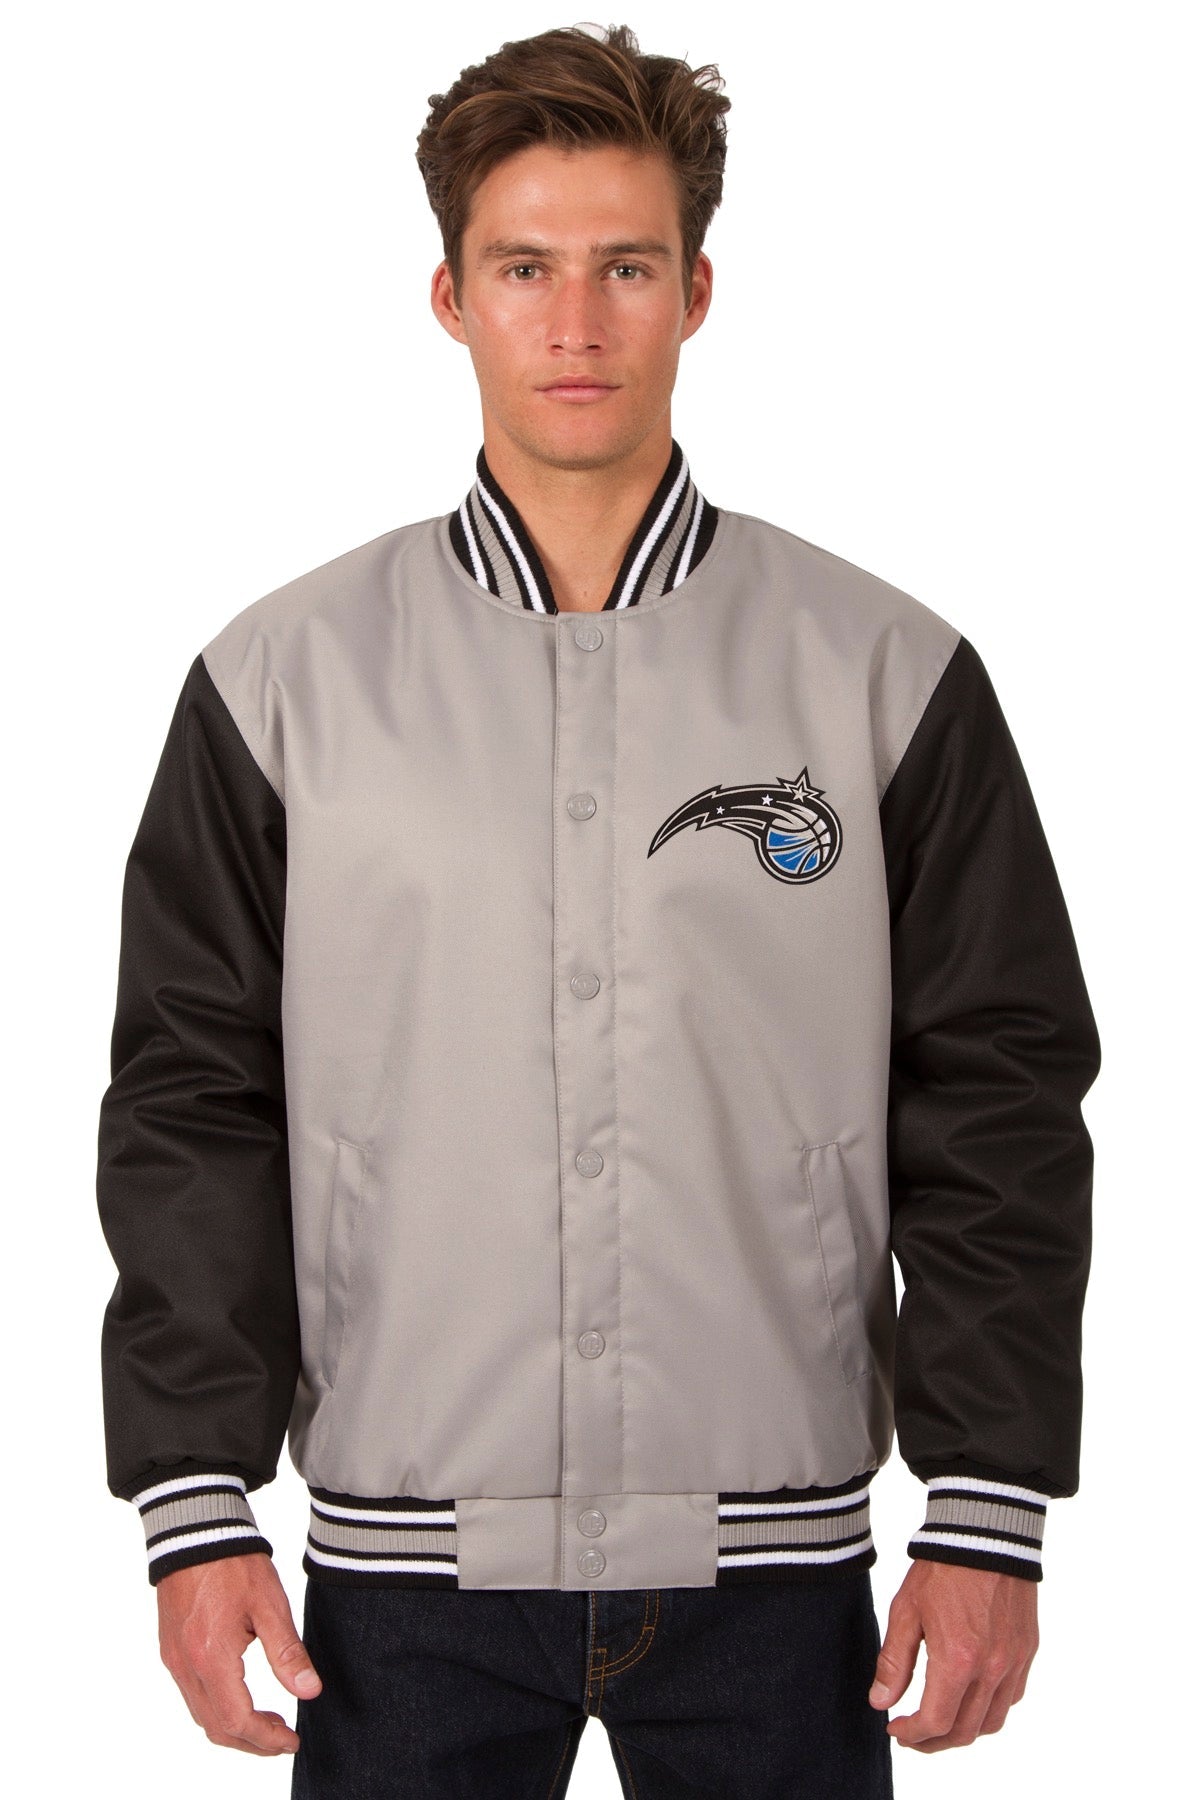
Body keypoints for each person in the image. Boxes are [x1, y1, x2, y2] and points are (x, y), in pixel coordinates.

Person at [95, 22, 1101, 1797]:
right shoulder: (283, 684)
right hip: (398, 1577)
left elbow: (999, 1093)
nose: (575, 322)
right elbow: (190, 1097)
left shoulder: (882, 672)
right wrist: (194, 1499)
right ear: (449, 297)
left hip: (778, 1568)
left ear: (697, 292)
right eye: (525, 268)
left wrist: (988, 1504)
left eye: (626, 267)